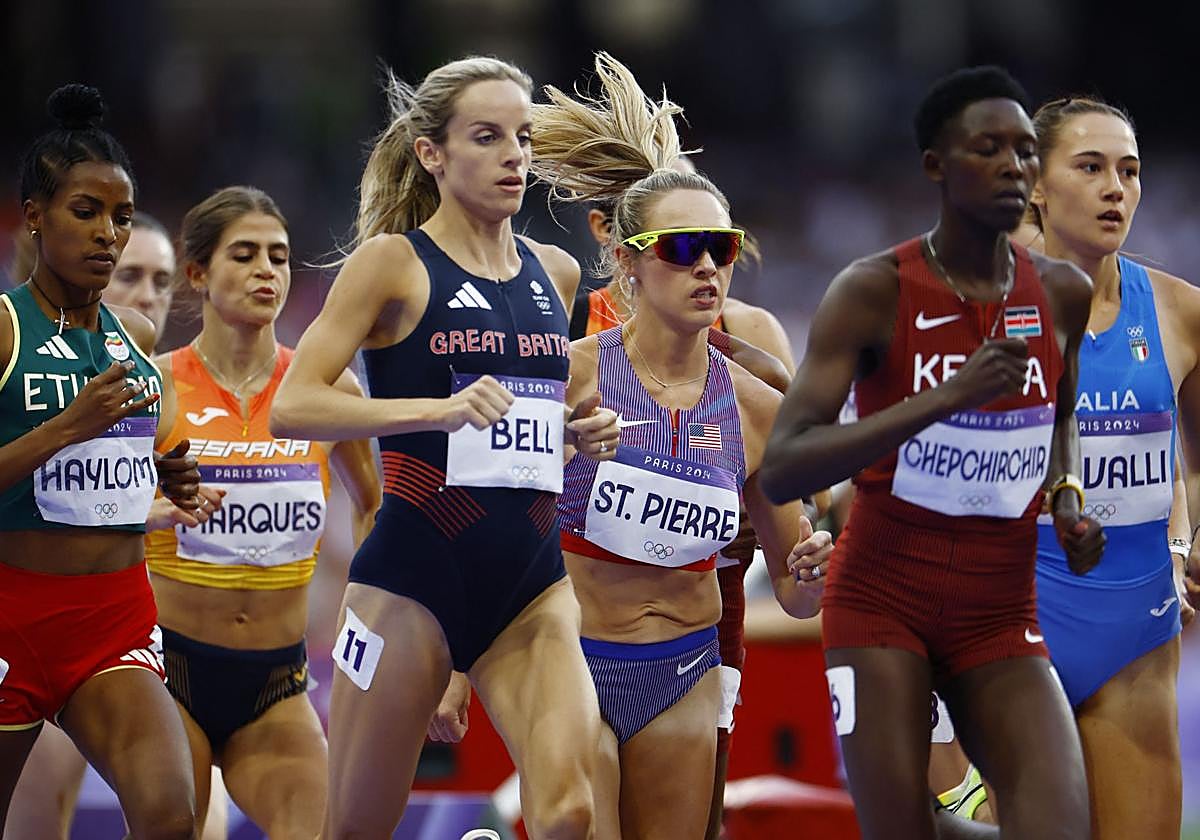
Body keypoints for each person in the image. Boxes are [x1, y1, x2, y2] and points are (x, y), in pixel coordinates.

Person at [269, 57, 618, 839]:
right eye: (487, 137)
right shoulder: (392, 264)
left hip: (531, 584)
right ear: (432, 153)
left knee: (570, 812)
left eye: (523, 138)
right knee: (354, 830)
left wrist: (573, 432)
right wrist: (439, 409)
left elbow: (525, 428)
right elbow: (293, 407)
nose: (514, 156)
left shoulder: (556, 274)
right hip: (409, 584)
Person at [760, 66, 1104, 839]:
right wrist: (947, 397)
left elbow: (1060, 416)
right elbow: (785, 464)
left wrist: (1066, 497)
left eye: (1025, 150)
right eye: (988, 149)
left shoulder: (1061, 293)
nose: (1014, 166)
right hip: (882, 601)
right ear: (935, 165)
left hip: (999, 612)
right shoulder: (873, 290)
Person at [527, 51, 832, 840]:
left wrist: (811, 571)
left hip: (692, 657)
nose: (704, 267)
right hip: (574, 653)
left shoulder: (759, 395)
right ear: (625, 257)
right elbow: (481, 509)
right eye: (680, 247)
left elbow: (797, 587)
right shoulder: (567, 370)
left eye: (719, 248)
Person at [140, 186, 381, 838]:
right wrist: (151, 512)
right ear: (198, 274)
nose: (265, 271)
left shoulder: (325, 388)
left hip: (278, 682)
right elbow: (93, 516)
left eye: (278, 257)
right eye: (243, 255)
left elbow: (373, 509)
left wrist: (366, 617)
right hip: (170, 673)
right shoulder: (155, 387)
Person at [0, 84, 202, 838]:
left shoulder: (136, 335)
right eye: (85, 212)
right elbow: (73, 434)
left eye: (120, 217)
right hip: (12, 613)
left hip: (115, 618)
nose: (107, 235)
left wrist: (166, 468)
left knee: (169, 819)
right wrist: (67, 427)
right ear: (34, 216)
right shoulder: (4, 326)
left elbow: (133, 450)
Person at [1015, 96, 1200, 839]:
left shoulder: (1181, 313)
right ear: (1035, 184)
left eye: (1129, 170)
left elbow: (1187, 462)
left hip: (1137, 633)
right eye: (1090, 167)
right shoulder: (978, 313)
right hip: (1009, 627)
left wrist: (1188, 542)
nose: (1114, 188)